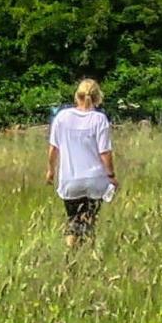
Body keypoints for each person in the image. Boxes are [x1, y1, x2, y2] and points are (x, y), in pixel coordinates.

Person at [46, 79, 117, 248]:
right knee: (89, 220)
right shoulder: (99, 119)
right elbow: (105, 153)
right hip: (95, 180)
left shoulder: (62, 117)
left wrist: (50, 171)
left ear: (76, 96)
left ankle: (71, 253)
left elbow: (53, 149)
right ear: (98, 97)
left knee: (74, 220)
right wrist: (111, 176)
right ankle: (90, 255)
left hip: (70, 180)